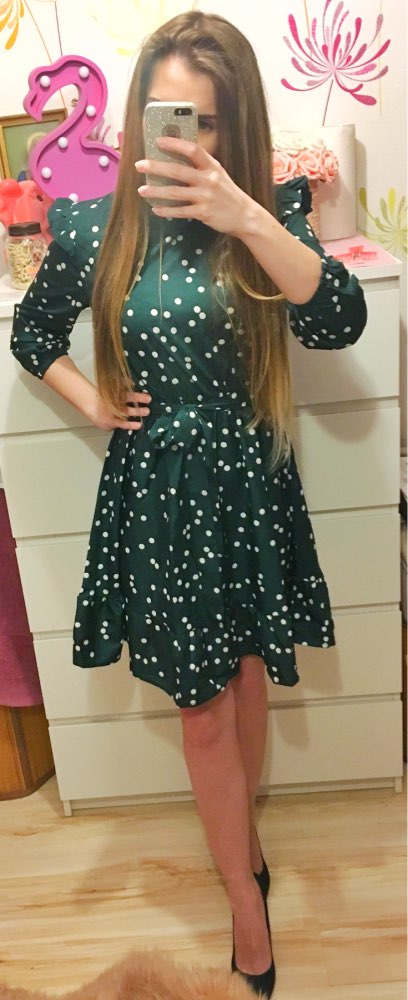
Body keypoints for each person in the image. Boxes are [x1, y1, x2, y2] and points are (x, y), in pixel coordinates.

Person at [10, 12, 367, 997]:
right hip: (162, 498)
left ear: (236, 125)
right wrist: (97, 404)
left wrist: (245, 213)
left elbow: (339, 318)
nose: (186, 140)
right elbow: (33, 335)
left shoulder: (266, 212)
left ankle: (241, 842)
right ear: (137, 116)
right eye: (169, 116)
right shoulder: (95, 223)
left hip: (249, 485)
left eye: (207, 121)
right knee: (203, 709)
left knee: (247, 679)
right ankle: (246, 905)